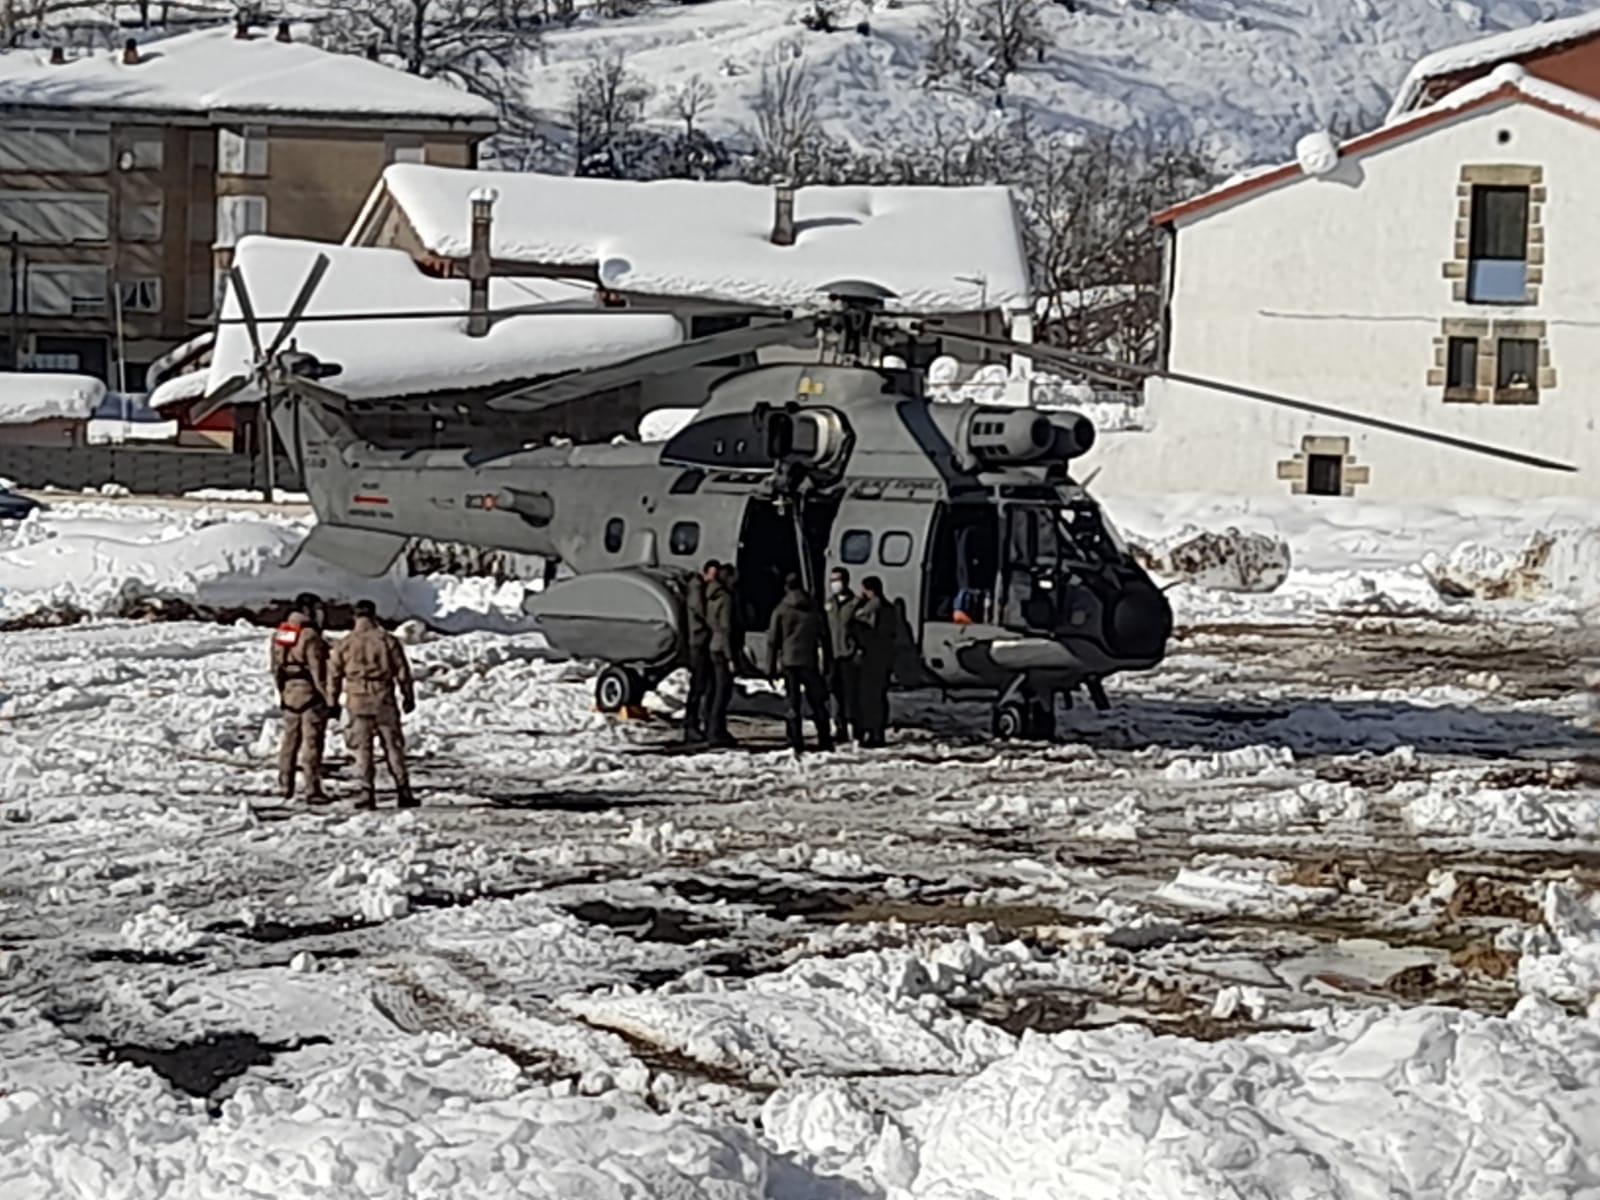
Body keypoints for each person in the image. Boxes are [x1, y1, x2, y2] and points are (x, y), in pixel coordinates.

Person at [329, 599, 417, 810]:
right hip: (383, 698)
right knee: (393, 746)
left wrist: (332, 701)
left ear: (355, 616)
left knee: (363, 750)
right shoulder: (387, 640)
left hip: (357, 699)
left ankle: (366, 792)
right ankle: (403, 790)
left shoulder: (346, 643)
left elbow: (333, 675)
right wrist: (408, 696)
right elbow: (403, 672)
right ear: (374, 615)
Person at [271, 591, 331, 804]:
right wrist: (328, 698)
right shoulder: (310, 636)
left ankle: (285, 784)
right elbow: (319, 671)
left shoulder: (283, 632)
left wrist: (282, 691)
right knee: (312, 743)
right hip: (309, 694)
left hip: (289, 691)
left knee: (289, 742)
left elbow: (276, 667)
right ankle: (312, 788)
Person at [766, 573, 833, 754]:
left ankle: (795, 740)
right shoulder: (813, 608)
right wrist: (828, 663)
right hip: (809, 659)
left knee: (793, 702)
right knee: (817, 701)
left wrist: (770, 668)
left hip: (789, 661)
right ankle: (825, 738)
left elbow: (773, 640)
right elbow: (824, 637)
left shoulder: (781, 609)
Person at [851, 575, 897, 748]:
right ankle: (879, 732)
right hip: (884, 658)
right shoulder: (889, 608)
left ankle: (870, 731)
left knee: (868, 697)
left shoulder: (870, 608)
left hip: (870, 658)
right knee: (880, 697)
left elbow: (858, 624)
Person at [682, 559, 720, 742]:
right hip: (698, 641)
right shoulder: (696, 589)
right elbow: (699, 610)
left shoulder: (700, 588)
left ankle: (698, 722)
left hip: (702, 640)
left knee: (705, 684)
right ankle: (691, 724)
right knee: (698, 684)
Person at [824, 567, 862, 744]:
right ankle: (839, 728)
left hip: (848, 655)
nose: (835, 584)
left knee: (851, 694)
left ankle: (855, 726)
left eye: (837, 579)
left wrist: (857, 650)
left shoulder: (855, 604)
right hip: (833, 656)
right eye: (832, 580)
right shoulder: (829, 604)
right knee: (835, 693)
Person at [703, 562, 738, 747]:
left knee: (715, 689)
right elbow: (726, 628)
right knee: (722, 691)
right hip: (722, 648)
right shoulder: (725, 599)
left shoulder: (711, 596)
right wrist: (730, 656)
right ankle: (717, 730)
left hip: (712, 645)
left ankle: (711, 726)